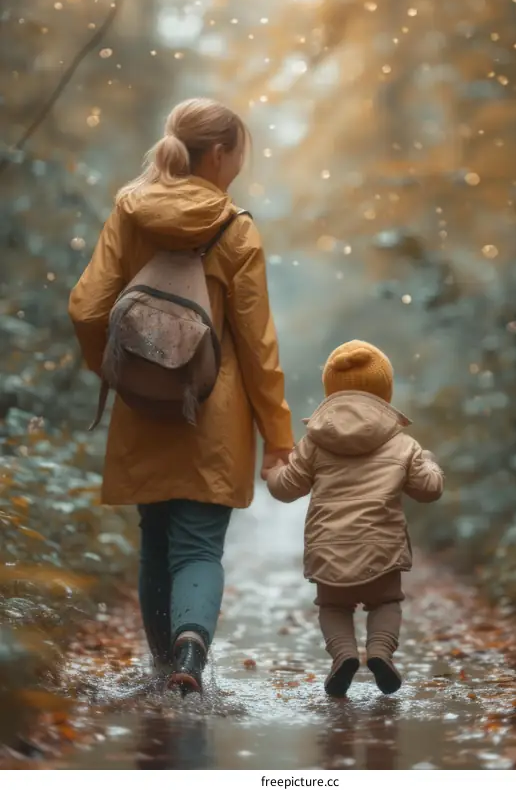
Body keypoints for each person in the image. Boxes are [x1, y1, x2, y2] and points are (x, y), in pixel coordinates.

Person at [69, 98, 294, 693]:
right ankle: (190, 653)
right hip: (212, 412)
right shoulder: (235, 228)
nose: (240, 163)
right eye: (239, 152)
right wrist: (278, 437)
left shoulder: (130, 210)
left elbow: (87, 308)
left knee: (156, 538)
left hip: (143, 406)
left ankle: (161, 671)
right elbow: (257, 347)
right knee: (197, 546)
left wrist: (120, 372)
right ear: (218, 154)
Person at [265, 340, 444, 698]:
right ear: (386, 393)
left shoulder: (314, 443)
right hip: (382, 548)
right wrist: (429, 462)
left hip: (329, 547)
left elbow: (286, 489)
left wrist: (273, 473)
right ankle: (379, 651)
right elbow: (429, 489)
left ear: (330, 391)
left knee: (333, 606)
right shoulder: (402, 445)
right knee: (386, 603)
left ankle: (344, 655)